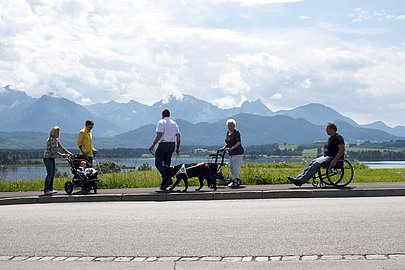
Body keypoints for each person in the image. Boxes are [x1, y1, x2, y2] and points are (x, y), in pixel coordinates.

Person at [288, 122, 345, 186]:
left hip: (332, 157)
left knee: (316, 164)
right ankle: (298, 178)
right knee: (312, 162)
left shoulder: (337, 138)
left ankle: (301, 181)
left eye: (327, 129)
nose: (326, 130)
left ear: (332, 129)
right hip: (327, 156)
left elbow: (342, 149)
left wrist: (335, 159)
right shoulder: (331, 138)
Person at [149, 109, 181, 190]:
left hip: (163, 144)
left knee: (158, 164)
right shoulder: (174, 123)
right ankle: (166, 181)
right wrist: (177, 148)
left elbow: (159, 134)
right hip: (172, 145)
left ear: (162, 115)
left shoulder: (161, 122)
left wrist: (153, 144)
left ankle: (168, 178)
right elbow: (178, 136)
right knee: (167, 165)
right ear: (169, 115)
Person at [43, 126, 72, 195]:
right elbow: (54, 151)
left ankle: (50, 189)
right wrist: (63, 155)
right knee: (50, 173)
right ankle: (46, 189)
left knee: (52, 173)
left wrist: (69, 153)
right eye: (57, 132)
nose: (58, 133)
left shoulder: (56, 140)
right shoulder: (51, 140)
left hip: (51, 158)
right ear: (53, 132)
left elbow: (62, 148)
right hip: (48, 158)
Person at [221, 118, 244, 188]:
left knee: (235, 167)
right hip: (231, 153)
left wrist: (232, 148)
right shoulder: (228, 133)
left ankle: (235, 180)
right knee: (231, 167)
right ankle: (234, 179)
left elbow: (238, 142)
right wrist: (224, 148)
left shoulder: (236, 133)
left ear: (234, 126)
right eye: (228, 125)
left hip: (238, 153)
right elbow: (228, 143)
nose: (230, 127)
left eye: (231, 125)